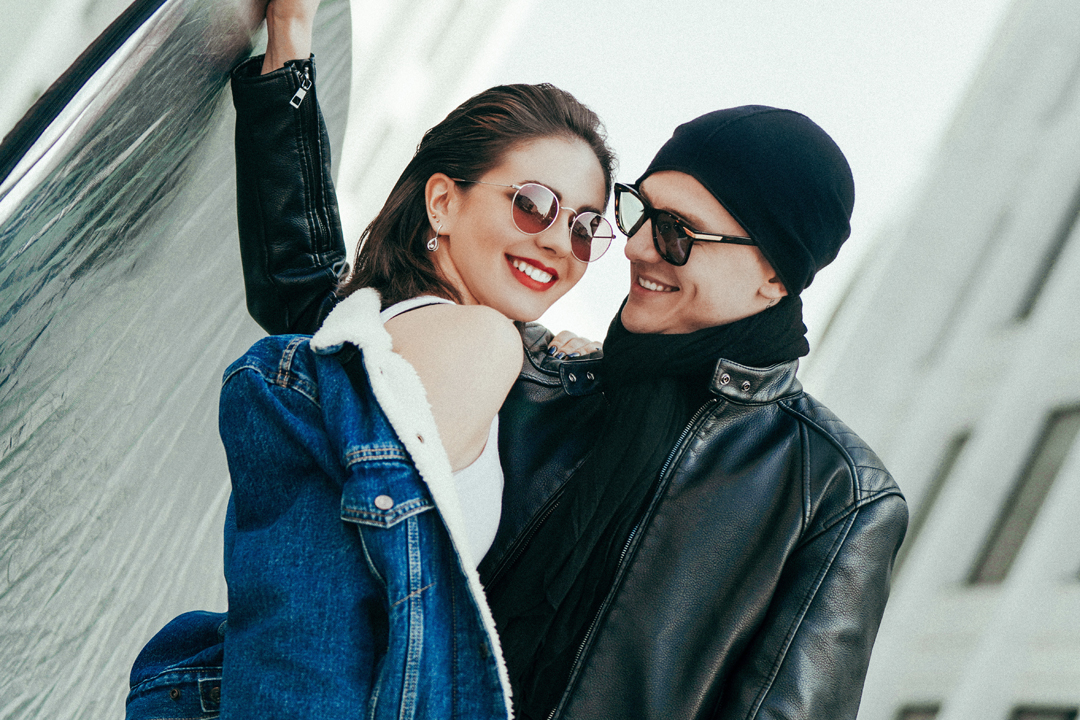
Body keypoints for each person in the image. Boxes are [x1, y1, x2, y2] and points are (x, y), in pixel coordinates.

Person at [223, 90, 908, 718]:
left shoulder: (834, 494)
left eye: (678, 232)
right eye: (638, 212)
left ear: (773, 277)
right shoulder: (543, 377)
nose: (637, 247)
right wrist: (285, 76)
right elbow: (340, 329)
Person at [123, 0, 615, 717]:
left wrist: (290, 38)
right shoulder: (481, 341)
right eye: (534, 203)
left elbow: (301, 276)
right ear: (442, 203)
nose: (556, 240)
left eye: (586, 226)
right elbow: (320, 607)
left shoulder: (376, 328)